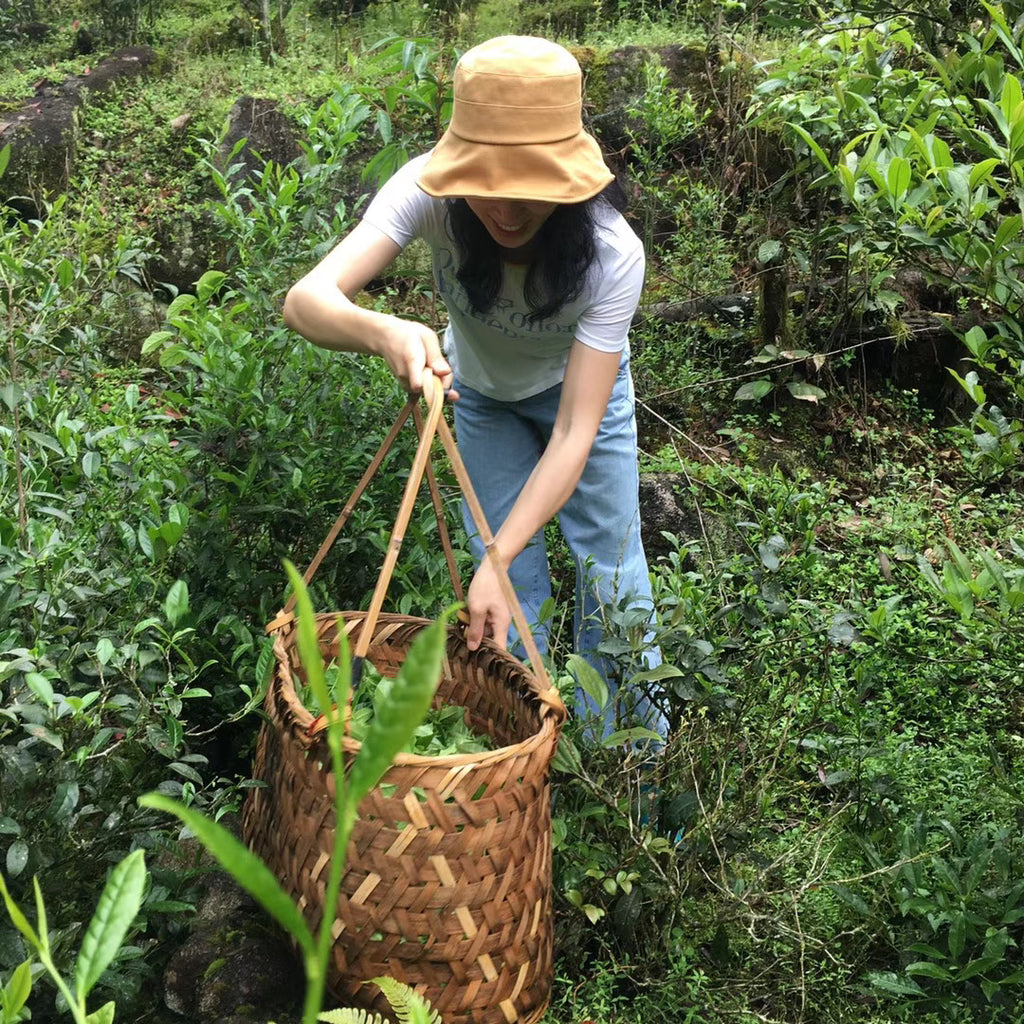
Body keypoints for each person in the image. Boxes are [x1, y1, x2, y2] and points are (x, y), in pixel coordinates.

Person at [283, 35, 665, 736]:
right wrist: (387, 331)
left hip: (582, 401)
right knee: (503, 597)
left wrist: (500, 549)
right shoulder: (426, 192)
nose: (509, 214)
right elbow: (306, 300)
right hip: (482, 396)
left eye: (531, 193)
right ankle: (528, 761)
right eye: (489, 187)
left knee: (612, 578)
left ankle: (632, 771)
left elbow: (577, 429)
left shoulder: (613, 255)